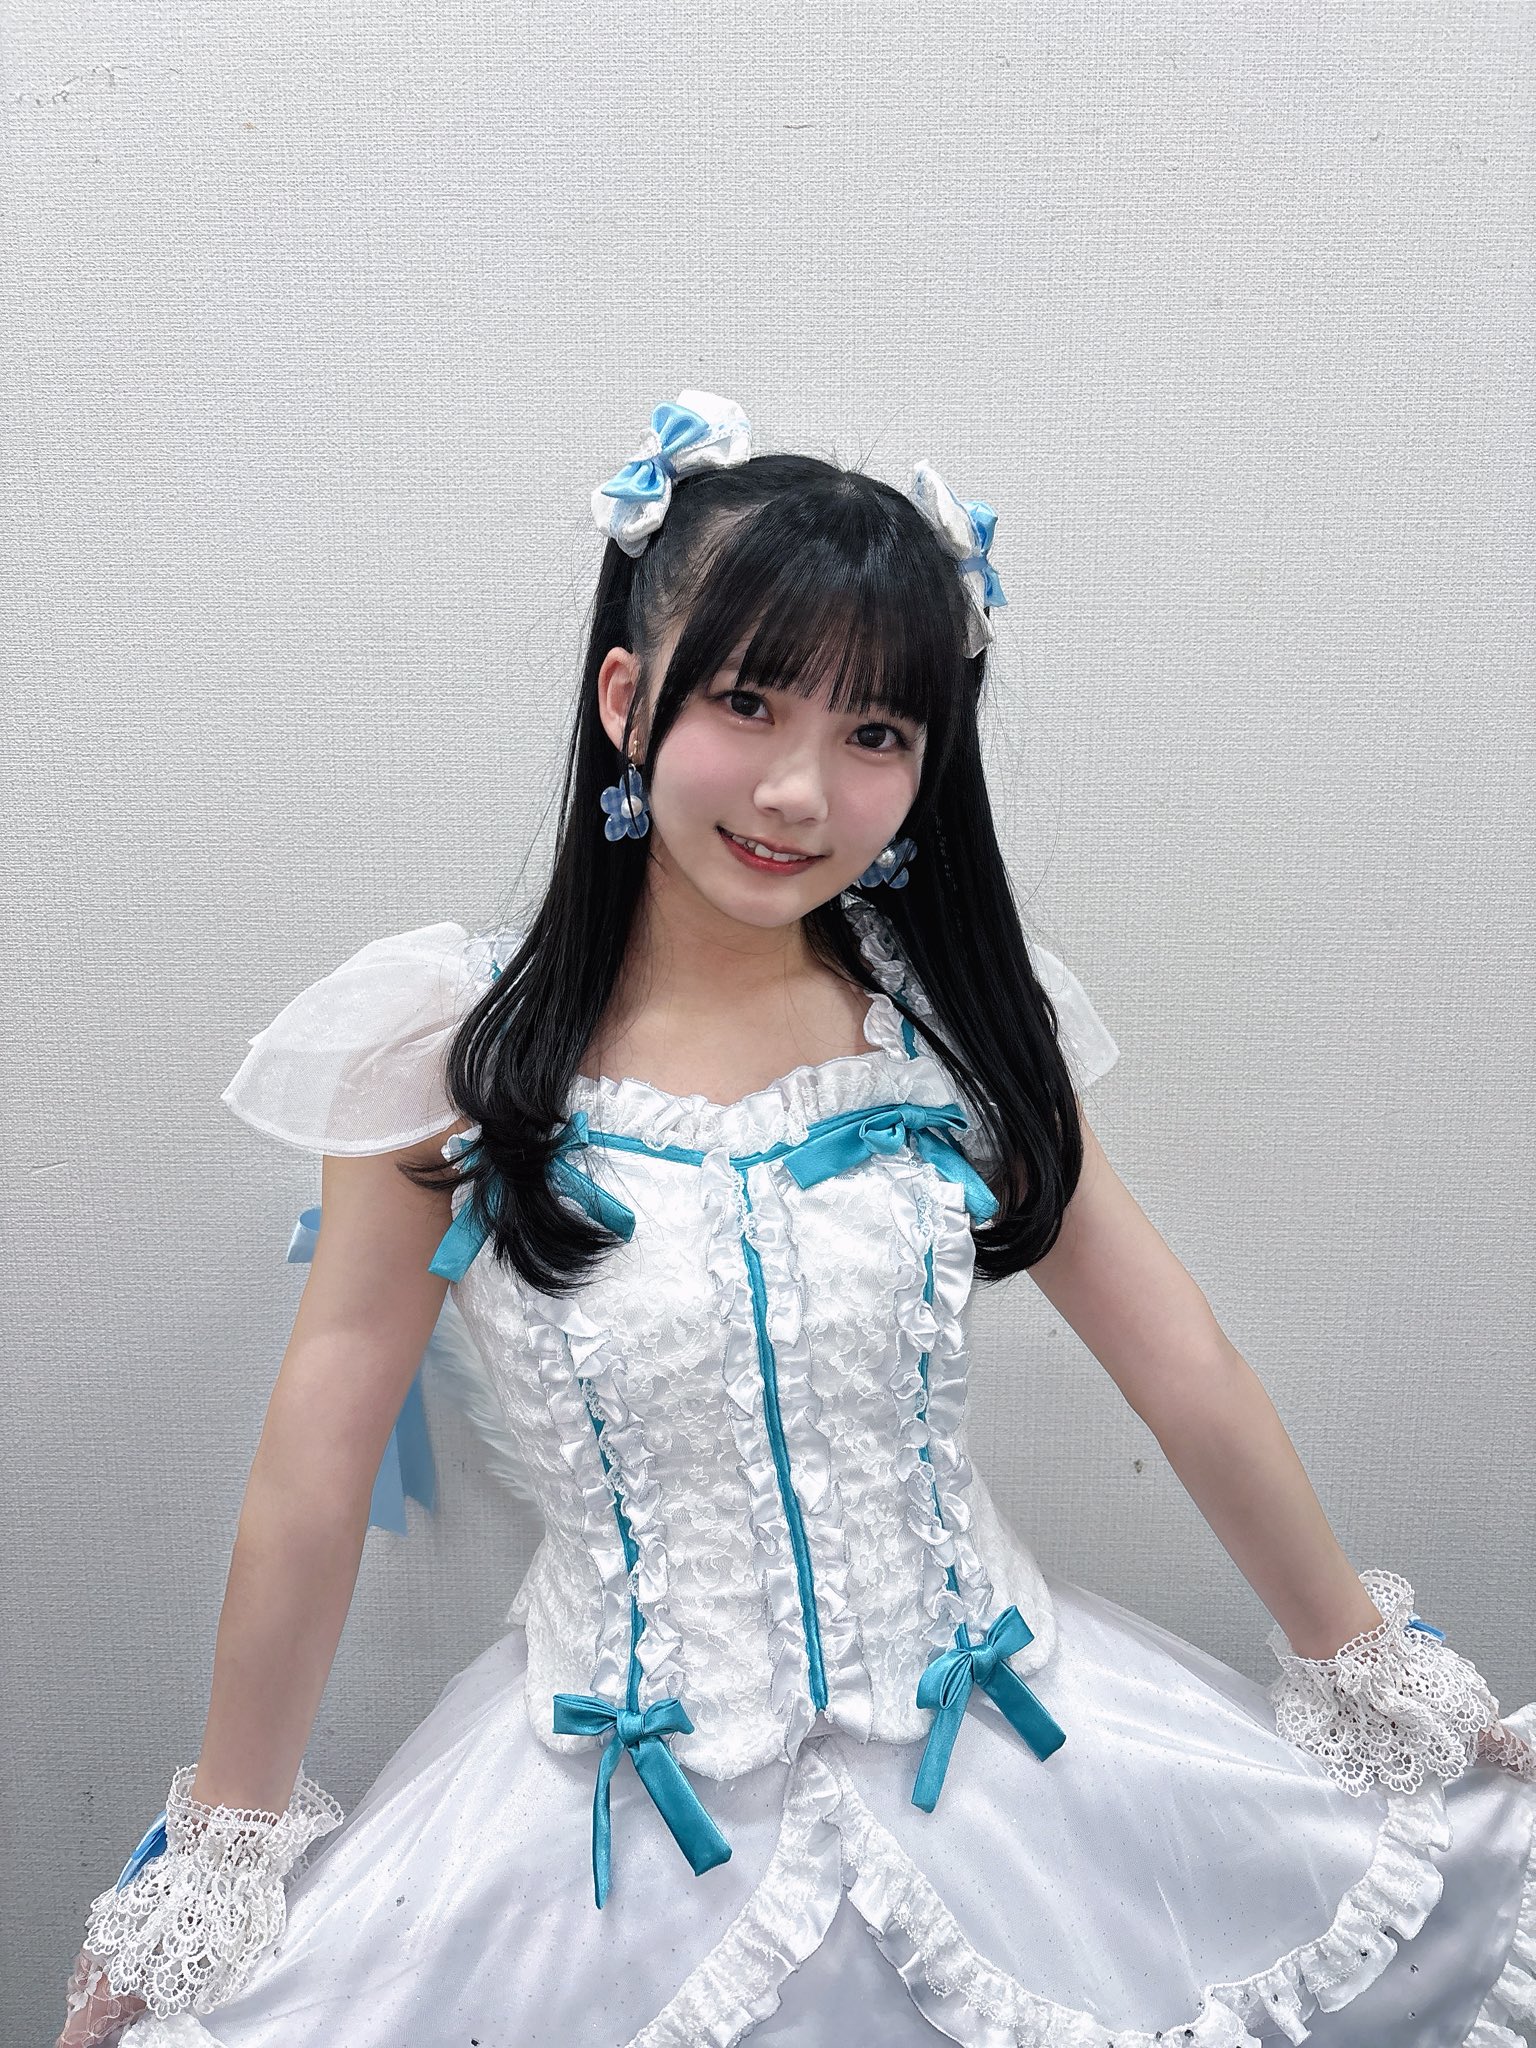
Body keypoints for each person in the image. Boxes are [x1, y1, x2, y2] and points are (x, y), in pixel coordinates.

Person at [57, 391, 1536, 2048]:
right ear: (628, 699)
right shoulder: (449, 1061)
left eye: (875, 734)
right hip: (595, 1859)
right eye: (748, 702)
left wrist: (1373, 1673)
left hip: (1025, 1792)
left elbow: (1180, 1363)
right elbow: (315, 1474)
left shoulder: (958, 1034)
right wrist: (220, 1859)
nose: (796, 791)